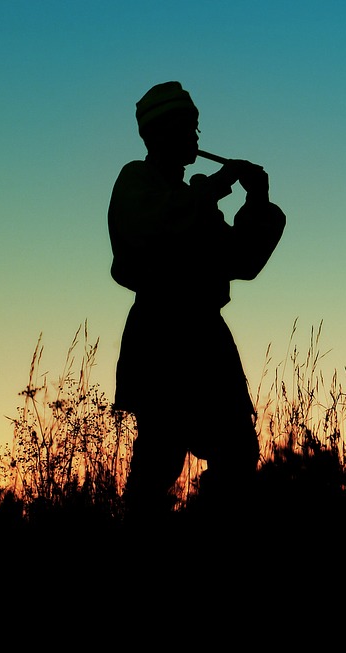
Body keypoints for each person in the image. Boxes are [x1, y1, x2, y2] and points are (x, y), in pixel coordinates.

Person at [109, 81, 285, 519]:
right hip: (161, 335)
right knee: (160, 458)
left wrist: (257, 202)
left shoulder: (198, 202)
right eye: (187, 128)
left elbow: (240, 261)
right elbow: (153, 224)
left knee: (238, 453)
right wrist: (216, 187)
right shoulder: (137, 180)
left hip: (206, 340)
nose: (196, 138)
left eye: (196, 128)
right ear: (158, 135)